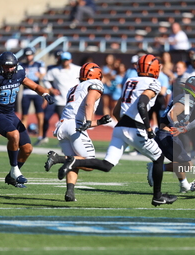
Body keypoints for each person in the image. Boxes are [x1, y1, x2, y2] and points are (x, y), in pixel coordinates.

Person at [52, 54, 177, 207]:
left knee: (107, 165)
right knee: (158, 158)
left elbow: (117, 110)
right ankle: (157, 196)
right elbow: (142, 105)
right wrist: (148, 127)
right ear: (155, 69)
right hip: (135, 127)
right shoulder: (154, 82)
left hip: (120, 128)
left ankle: (71, 160)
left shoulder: (130, 81)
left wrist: (123, 124)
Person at [0, 51, 54, 188]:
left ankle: (11, 177)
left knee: (27, 148)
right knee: (14, 135)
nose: (9, 69)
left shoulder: (20, 73)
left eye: (11, 66)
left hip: (10, 114)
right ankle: (15, 170)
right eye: (5, 66)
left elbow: (33, 86)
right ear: (0, 66)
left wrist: (45, 93)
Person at [44, 62, 111, 201]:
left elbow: (76, 111)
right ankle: (58, 159)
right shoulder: (95, 84)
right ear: (96, 75)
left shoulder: (74, 87)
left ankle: (70, 193)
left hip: (63, 126)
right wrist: (89, 120)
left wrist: (98, 122)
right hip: (75, 125)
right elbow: (89, 102)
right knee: (89, 162)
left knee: (75, 162)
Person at [150, 76, 195, 193]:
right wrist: (176, 124)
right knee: (186, 164)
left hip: (166, 134)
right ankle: (159, 168)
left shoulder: (186, 98)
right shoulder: (187, 99)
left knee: (180, 161)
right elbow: (172, 114)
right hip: (166, 135)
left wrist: (183, 124)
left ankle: (184, 185)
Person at [43, 51, 81, 131]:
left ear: (71, 60)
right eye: (63, 60)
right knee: (64, 122)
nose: (65, 62)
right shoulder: (55, 71)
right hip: (61, 101)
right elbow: (45, 79)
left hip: (75, 101)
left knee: (75, 122)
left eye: (67, 60)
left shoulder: (77, 69)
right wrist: (51, 89)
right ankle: (63, 140)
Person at [19, 47, 47, 145]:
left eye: (30, 55)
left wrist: (39, 75)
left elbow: (43, 75)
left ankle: (40, 136)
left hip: (36, 92)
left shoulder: (39, 64)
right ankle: (23, 136)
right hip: (26, 92)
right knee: (24, 116)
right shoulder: (21, 65)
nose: (28, 57)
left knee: (40, 115)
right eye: (27, 55)